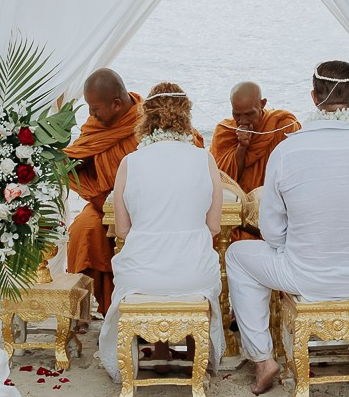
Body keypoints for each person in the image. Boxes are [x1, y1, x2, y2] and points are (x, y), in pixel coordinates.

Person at [224, 59, 349, 395]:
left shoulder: (287, 150)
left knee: (237, 255)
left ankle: (263, 358)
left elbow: (272, 231)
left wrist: (300, 249)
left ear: (313, 97)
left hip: (305, 275)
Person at [101, 82, 227, 380]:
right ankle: (195, 353)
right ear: (186, 116)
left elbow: (121, 230)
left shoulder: (130, 162)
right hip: (192, 275)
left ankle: (158, 351)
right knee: (193, 263)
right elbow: (214, 227)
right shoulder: (204, 159)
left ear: (146, 117)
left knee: (146, 261)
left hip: (141, 277)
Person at [64, 70, 143, 312]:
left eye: (95, 107)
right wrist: (98, 199)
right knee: (83, 230)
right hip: (103, 203)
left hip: (145, 207)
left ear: (117, 104)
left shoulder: (148, 122)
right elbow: (72, 162)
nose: (90, 114)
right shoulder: (97, 125)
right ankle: (91, 308)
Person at [208, 82, 300, 242]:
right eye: (237, 115)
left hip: (273, 210)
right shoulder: (224, 131)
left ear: (262, 104)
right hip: (238, 215)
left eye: (250, 114)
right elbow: (221, 182)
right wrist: (241, 149)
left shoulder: (283, 126)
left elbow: (296, 173)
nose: (243, 121)